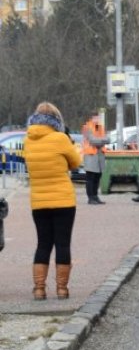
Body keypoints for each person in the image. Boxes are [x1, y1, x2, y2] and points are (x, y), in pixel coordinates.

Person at [22, 102, 82, 300]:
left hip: (39, 202)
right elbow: (76, 163)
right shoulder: (60, 138)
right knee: (62, 244)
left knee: (43, 244)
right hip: (63, 201)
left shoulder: (28, 140)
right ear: (57, 119)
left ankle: (39, 289)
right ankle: (62, 289)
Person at [81, 114, 108, 205]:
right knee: (90, 177)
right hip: (90, 155)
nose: (98, 119)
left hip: (99, 156)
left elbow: (108, 139)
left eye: (99, 118)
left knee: (97, 177)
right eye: (96, 118)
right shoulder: (87, 127)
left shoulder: (101, 127)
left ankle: (96, 196)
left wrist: (100, 140)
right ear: (91, 118)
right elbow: (92, 141)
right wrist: (102, 140)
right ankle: (90, 198)